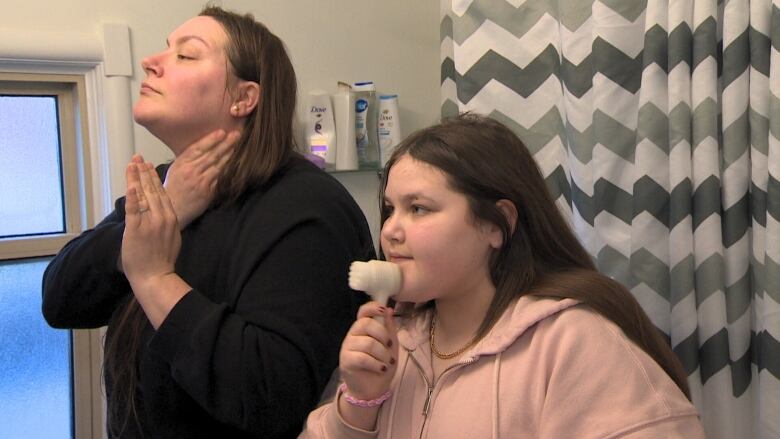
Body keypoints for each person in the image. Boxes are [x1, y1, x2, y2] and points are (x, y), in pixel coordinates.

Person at [42, 6, 374, 438]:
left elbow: (270, 396)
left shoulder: (307, 207)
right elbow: (60, 299)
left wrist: (153, 276)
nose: (150, 61)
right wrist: (170, 212)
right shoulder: (165, 185)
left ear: (244, 98)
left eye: (187, 55)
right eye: (166, 49)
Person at [300, 114, 706, 438]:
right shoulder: (397, 343)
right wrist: (359, 405)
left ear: (497, 224)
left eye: (419, 208)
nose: (390, 230)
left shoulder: (573, 343)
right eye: (390, 209)